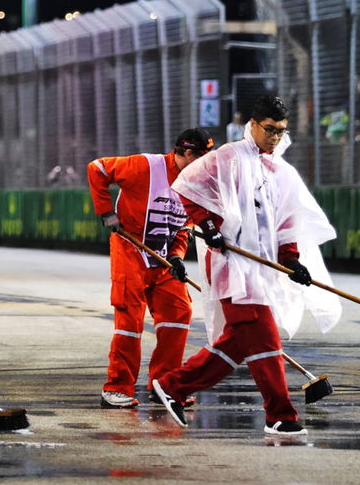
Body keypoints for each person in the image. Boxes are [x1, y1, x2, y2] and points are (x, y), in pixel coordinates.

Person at [148, 95, 340, 441]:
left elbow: (287, 220)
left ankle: (172, 385)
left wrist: (292, 258)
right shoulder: (227, 157)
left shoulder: (279, 170)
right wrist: (207, 228)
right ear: (253, 124)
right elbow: (186, 187)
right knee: (266, 340)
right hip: (233, 266)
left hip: (262, 271)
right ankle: (280, 415)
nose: (276, 138)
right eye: (270, 130)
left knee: (237, 344)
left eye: (282, 131)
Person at [87, 128, 214, 409]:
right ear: (187, 153)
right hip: (130, 248)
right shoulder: (146, 166)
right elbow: (97, 168)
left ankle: (165, 385)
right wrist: (106, 211)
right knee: (130, 319)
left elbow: (184, 227)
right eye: (202, 158)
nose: (207, 166)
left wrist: (179, 256)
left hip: (164, 258)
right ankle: (116, 387)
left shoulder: (196, 182)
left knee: (179, 312)